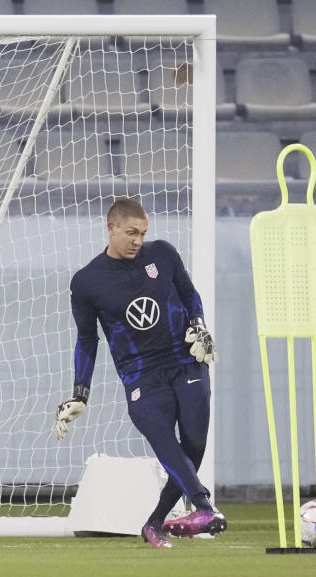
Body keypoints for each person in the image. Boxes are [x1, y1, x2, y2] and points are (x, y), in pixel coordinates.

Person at [54, 197, 223, 548]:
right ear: (111, 228)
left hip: (185, 361)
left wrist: (198, 324)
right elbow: (87, 339)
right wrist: (79, 392)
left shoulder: (162, 254)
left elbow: (190, 295)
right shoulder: (87, 281)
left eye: (142, 233)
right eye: (131, 232)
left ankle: (154, 523)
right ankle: (204, 506)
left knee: (193, 445)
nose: (137, 241)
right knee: (164, 439)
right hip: (141, 376)